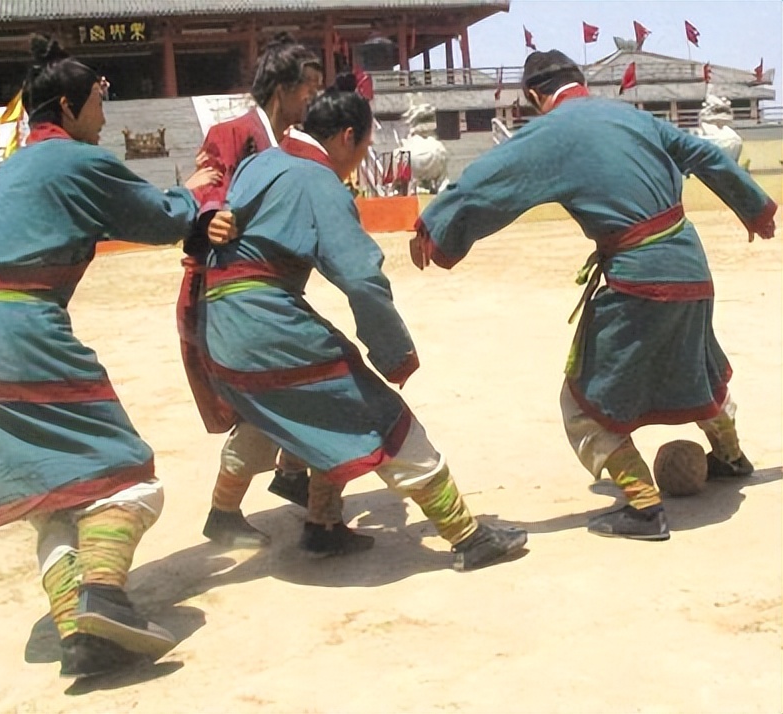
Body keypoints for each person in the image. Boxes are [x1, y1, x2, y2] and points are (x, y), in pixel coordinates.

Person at [410, 50, 778, 541]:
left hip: (637, 277)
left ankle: (645, 508)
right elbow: (708, 155)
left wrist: (435, 226)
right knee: (699, 365)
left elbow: (487, 181)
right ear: (579, 80)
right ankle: (731, 457)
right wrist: (754, 208)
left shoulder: (550, 130)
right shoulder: (633, 116)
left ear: (536, 96)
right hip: (691, 266)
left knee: (584, 401)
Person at [0, 35, 218, 679]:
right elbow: (158, 217)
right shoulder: (73, 161)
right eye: (100, 97)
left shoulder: (12, 165)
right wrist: (196, 190)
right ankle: (105, 599)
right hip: (22, 332)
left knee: (56, 496)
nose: (104, 110)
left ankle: (81, 632)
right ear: (67, 105)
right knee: (129, 477)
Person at [199, 87, 528, 569]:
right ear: (347, 137)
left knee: (279, 410)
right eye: (364, 146)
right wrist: (393, 352)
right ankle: (466, 536)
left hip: (222, 329)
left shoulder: (256, 163)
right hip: (266, 323)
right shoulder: (319, 180)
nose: (361, 159)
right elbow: (360, 278)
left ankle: (318, 524)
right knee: (380, 414)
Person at [177, 34, 326, 548]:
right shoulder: (230, 133)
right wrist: (212, 216)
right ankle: (226, 509)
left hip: (276, 291)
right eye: (309, 87)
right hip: (227, 292)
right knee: (262, 399)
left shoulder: (301, 146)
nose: (314, 98)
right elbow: (206, 187)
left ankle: (290, 473)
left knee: (297, 385)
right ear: (283, 88)